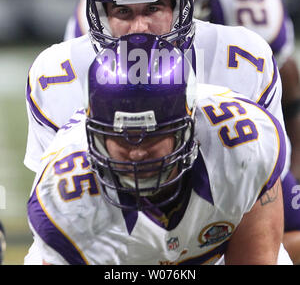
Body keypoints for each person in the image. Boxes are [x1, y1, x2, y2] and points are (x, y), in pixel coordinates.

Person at [25, 0, 287, 262]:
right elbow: (69, 204)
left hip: (215, 230)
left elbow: (257, 179)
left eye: (153, 9)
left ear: (184, 3)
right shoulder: (55, 76)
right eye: (123, 11)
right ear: (97, 11)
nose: (139, 28)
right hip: (110, 239)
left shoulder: (242, 58)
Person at [27, 34, 291, 265]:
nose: (138, 152)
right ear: (95, 135)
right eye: (123, 137)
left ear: (188, 127)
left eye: (152, 136)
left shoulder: (243, 146)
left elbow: (256, 257)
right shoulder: (65, 198)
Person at [140, 0, 300, 264]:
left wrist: (294, 157)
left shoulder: (247, 11)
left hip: (236, 146)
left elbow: (287, 73)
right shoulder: (101, 22)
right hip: (140, 154)